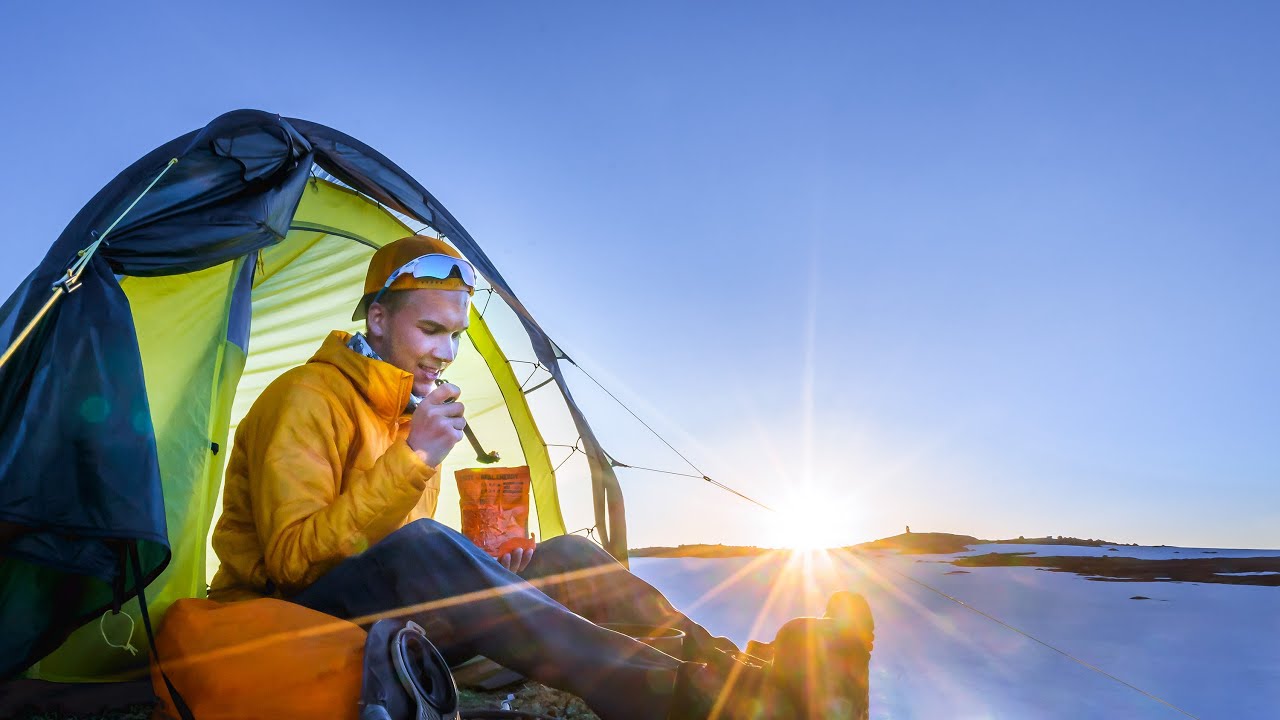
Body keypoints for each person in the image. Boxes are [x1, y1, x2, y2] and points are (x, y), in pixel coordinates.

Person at [208, 236, 873, 720]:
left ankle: (742, 675)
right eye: (430, 330)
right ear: (378, 320)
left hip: (386, 620)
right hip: (287, 621)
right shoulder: (305, 398)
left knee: (565, 556)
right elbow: (294, 564)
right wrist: (413, 461)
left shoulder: (408, 409)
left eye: (457, 336)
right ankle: (685, 702)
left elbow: (391, 548)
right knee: (423, 549)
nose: (445, 352)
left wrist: (488, 567)